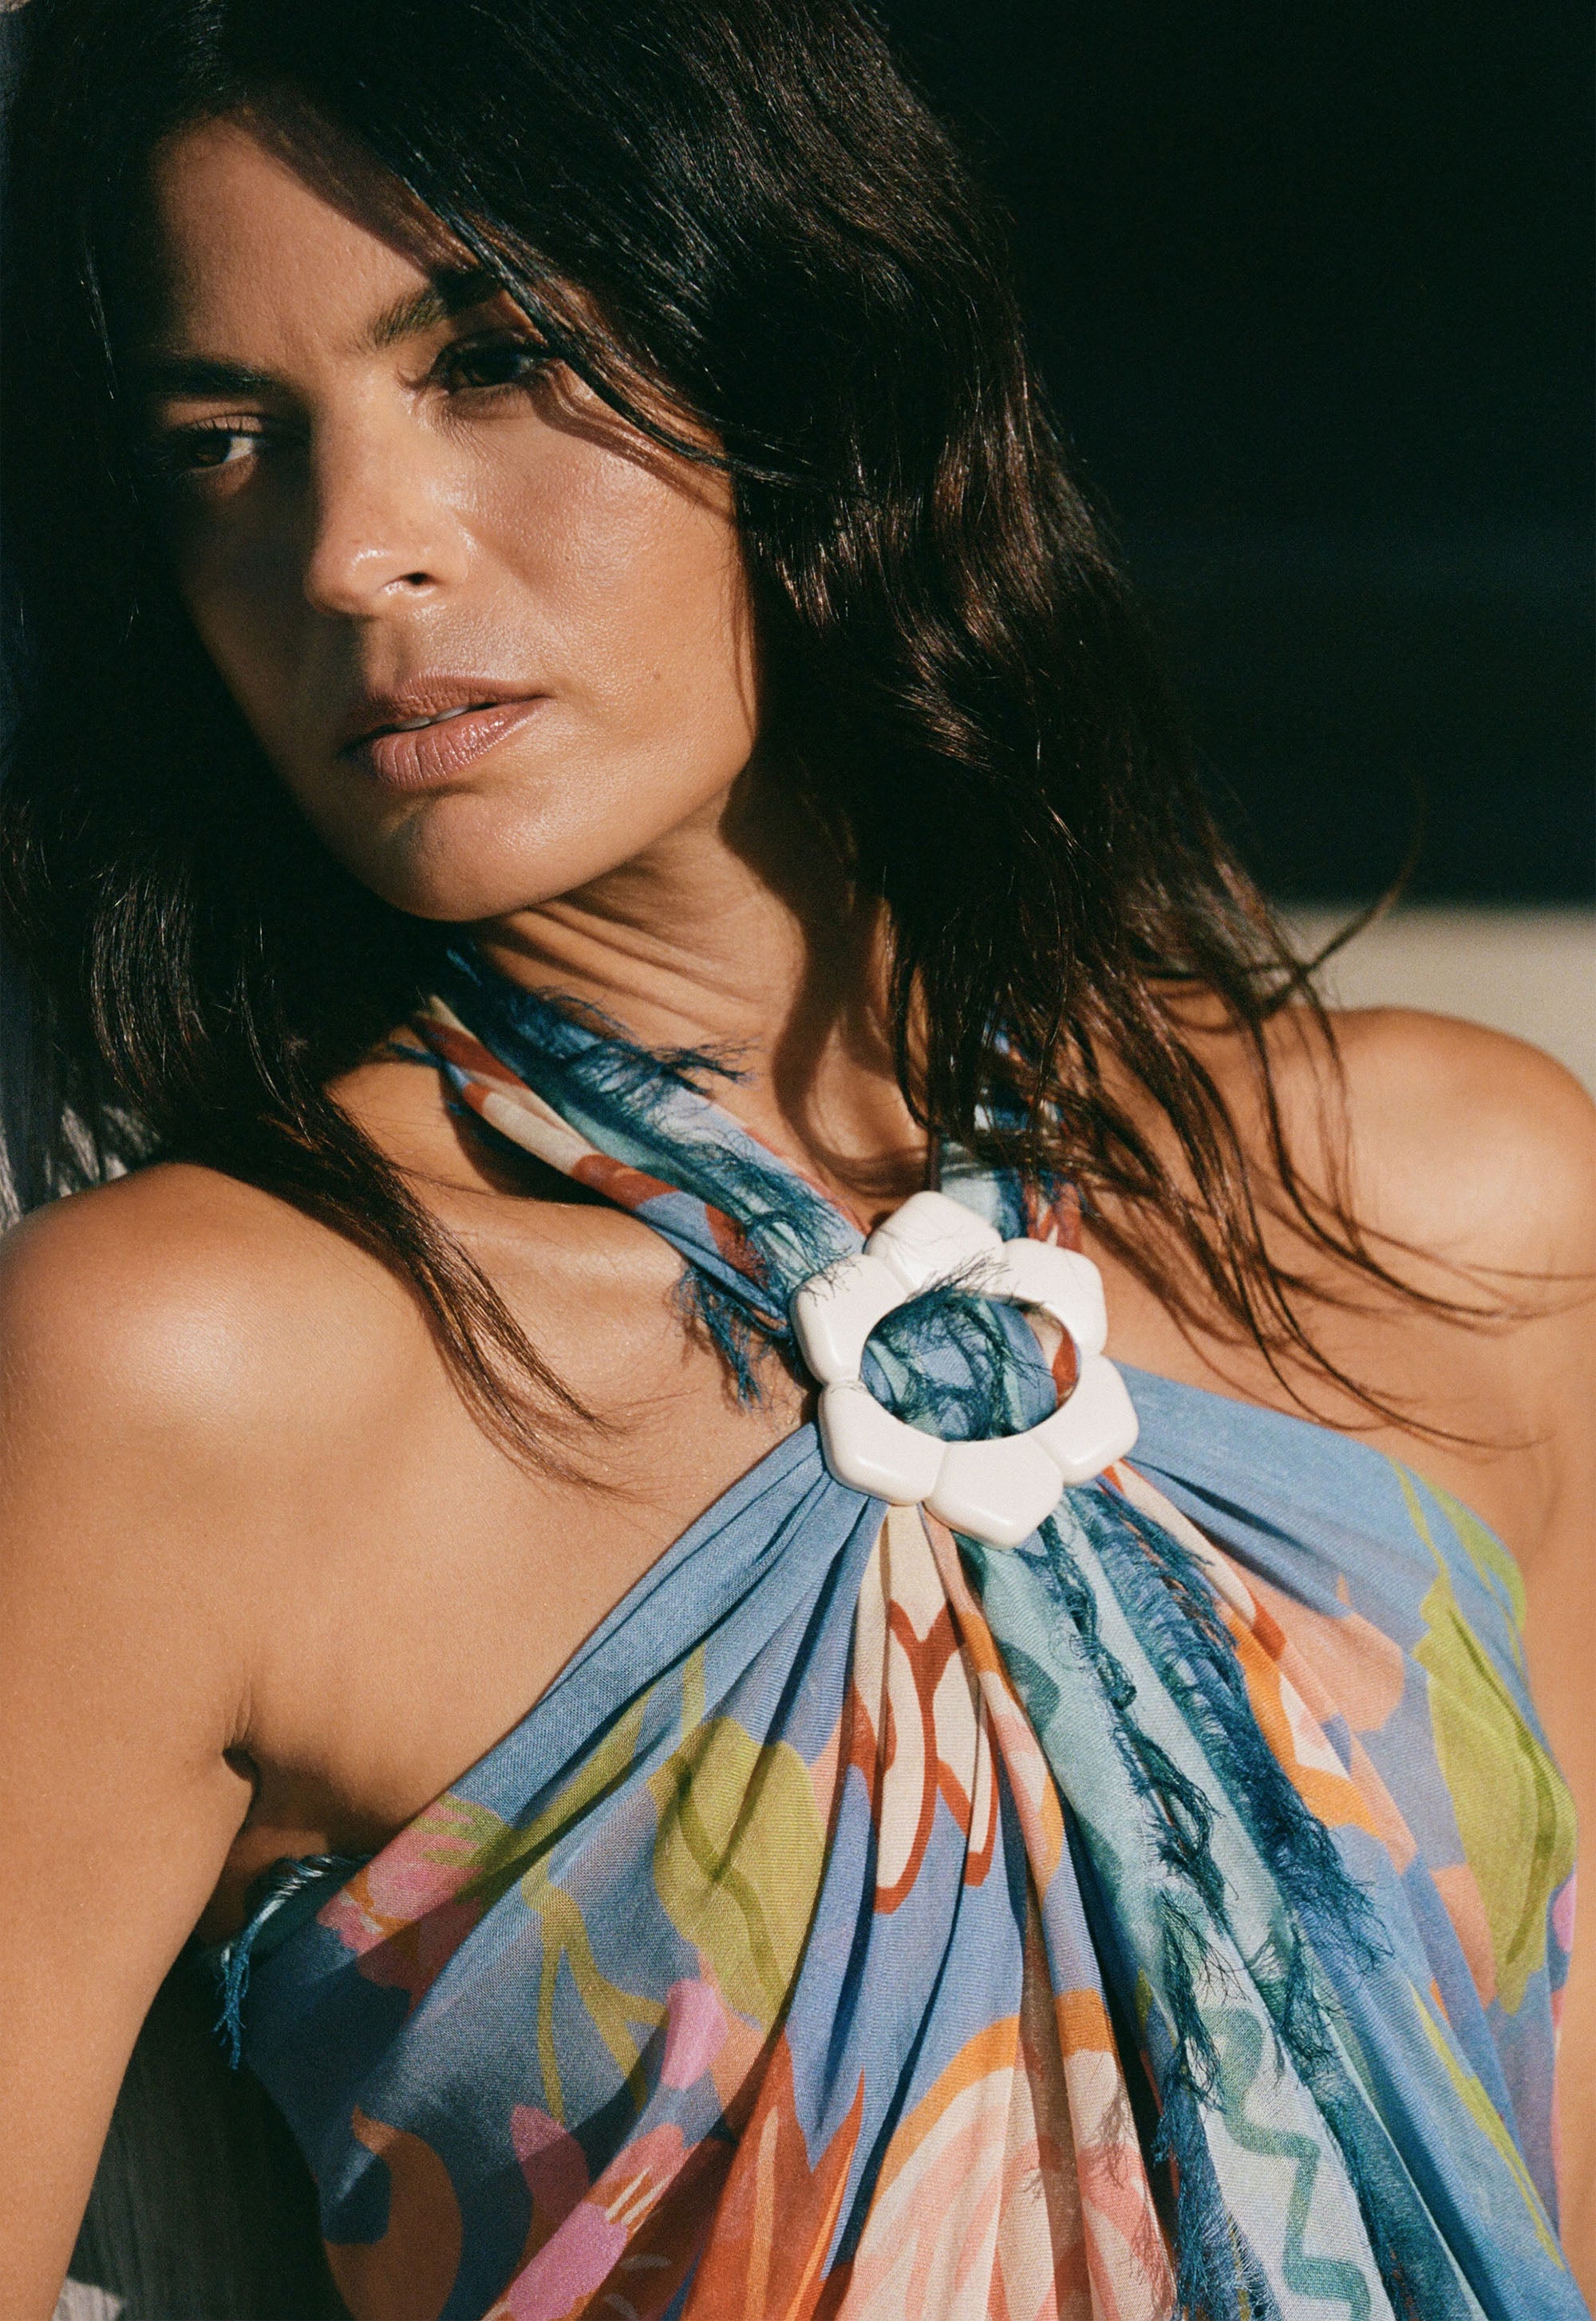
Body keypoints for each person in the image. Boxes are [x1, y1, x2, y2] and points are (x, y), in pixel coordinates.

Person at [1, 0, 1590, 2314]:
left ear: (805, 348)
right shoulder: (195, 1370)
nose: (356, 552)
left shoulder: (1458, 1204)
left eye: (498, 355)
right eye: (226, 445)